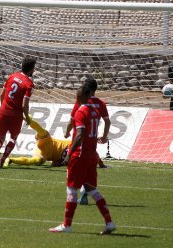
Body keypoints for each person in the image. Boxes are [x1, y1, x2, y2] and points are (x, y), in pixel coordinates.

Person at [49, 79, 116, 235]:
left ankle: (67, 225)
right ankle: (109, 222)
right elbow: (104, 123)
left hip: (79, 155)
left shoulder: (81, 111)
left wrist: (69, 153)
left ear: (81, 97)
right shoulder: (95, 110)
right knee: (92, 189)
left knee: (71, 189)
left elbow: (79, 135)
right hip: (92, 154)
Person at [65, 75, 111, 205]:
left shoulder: (83, 102)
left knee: (73, 176)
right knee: (88, 170)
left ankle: (69, 212)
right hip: (92, 144)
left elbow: (72, 120)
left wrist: (67, 131)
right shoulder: (101, 103)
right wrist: (104, 136)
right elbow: (107, 121)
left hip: (79, 144)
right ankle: (106, 218)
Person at [0, 56, 36, 169]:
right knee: (13, 138)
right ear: (32, 69)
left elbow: (1, 95)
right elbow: (24, 104)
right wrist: (27, 116)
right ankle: (3, 159)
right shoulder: (29, 84)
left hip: (3, 111)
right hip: (16, 115)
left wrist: (4, 107)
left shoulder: (11, 76)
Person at [3, 115, 71, 168]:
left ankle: (10, 160)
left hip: (45, 152)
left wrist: (57, 163)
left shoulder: (75, 156)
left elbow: (57, 161)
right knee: (42, 132)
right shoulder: (76, 144)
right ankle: (27, 119)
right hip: (49, 143)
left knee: (35, 160)